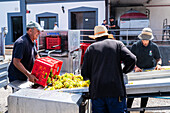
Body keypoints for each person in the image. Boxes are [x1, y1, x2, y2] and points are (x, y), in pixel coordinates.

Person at [81, 25, 136, 113]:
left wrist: (91, 78)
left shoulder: (90, 49)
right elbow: (132, 59)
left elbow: (84, 73)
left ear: (95, 37)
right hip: (115, 91)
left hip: (97, 92)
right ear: (107, 35)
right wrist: (124, 71)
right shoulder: (117, 44)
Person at [127, 28, 162, 113]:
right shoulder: (135, 46)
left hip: (148, 71)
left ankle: (142, 110)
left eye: (146, 40)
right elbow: (130, 59)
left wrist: (159, 64)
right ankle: (127, 110)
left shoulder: (154, 47)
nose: (145, 42)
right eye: (143, 40)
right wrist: (135, 67)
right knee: (132, 93)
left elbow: (158, 58)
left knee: (145, 93)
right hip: (137, 71)